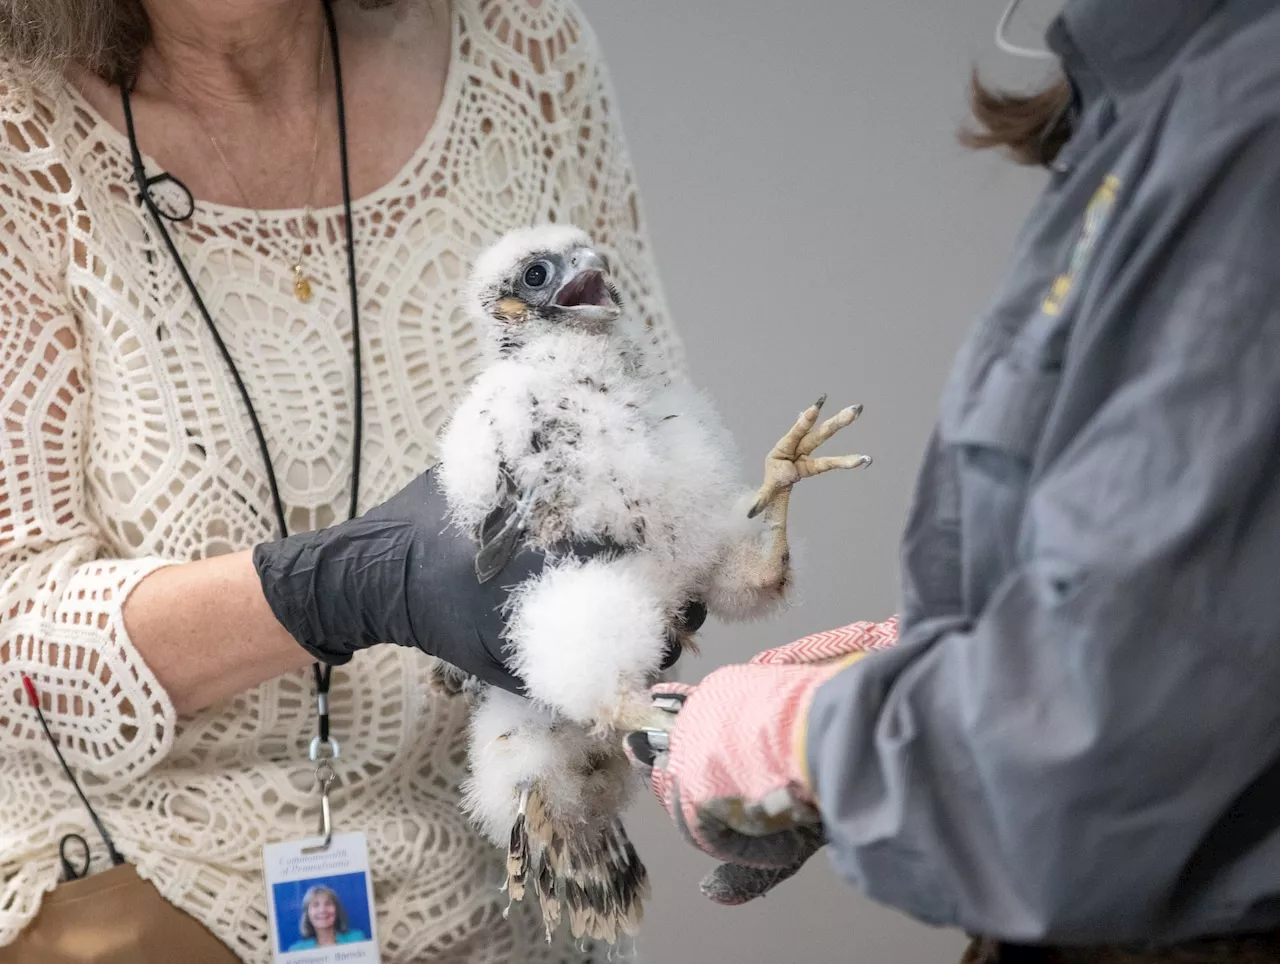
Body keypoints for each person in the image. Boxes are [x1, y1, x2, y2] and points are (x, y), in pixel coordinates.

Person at [0, 0, 684, 961]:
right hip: (152, 883)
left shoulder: (520, 43)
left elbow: (653, 432)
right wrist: (324, 589)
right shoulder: (17, 128)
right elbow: (10, 637)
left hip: (509, 878)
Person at [630, 1, 1280, 962]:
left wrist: (802, 739)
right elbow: (1210, 588)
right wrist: (932, 660)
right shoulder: (1153, 102)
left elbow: (1088, 750)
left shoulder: (1248, 130)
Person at [287, 885, 367, 950]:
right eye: (315, 905)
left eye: (328, 904)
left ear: (337, 910)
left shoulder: (357, 939)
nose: (322, 910)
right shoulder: (296, 950)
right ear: (307, 914)